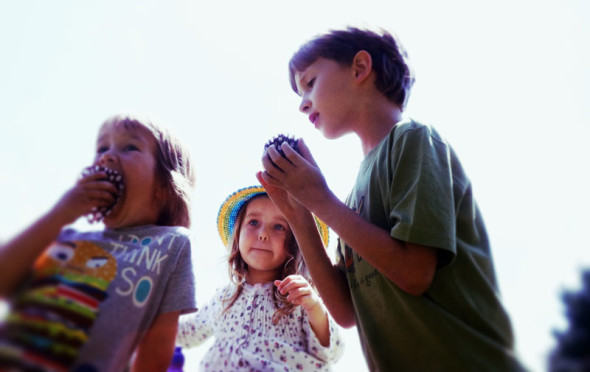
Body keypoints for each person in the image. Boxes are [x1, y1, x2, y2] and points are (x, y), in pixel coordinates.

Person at [258, 27, 526, 371]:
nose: (302, 103)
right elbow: (345, 311)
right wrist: (300, 213)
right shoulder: (353, 197)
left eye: (310, 82)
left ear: (359, 68)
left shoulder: (413, 140)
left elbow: (414, 273)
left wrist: (320, 198)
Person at [0, 114, 197, 372]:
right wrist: (60, 213)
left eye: (129, 147)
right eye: (102, 148)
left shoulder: (171, 245)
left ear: (163, 186)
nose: (106, 157)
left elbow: (156, 350)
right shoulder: (65, 239)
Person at [176, 185, 343, 371]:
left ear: (295, 244)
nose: (263, 234)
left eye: (279, 227)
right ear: (238, 234)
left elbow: (332, 351)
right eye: (254, 222)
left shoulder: (298, 298)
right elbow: (187, 333)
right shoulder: (223, 299)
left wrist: (313, 306)